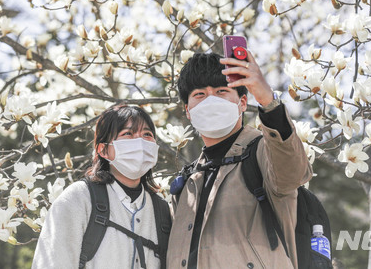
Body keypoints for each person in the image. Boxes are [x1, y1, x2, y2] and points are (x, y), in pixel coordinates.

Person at [167, 52, 312, 269]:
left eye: (221, 91)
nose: (211, 100)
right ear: (188, 110)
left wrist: (268, 103)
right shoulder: (188, 180)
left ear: (243, 102)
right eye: (199, 94)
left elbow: (292, 173)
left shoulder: (262, 152)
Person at [32, 104, 170, 269]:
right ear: (103, 150)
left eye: (147, 134)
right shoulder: (77, 200)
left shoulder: (163, 211)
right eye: (128, 134)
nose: (140, 142)